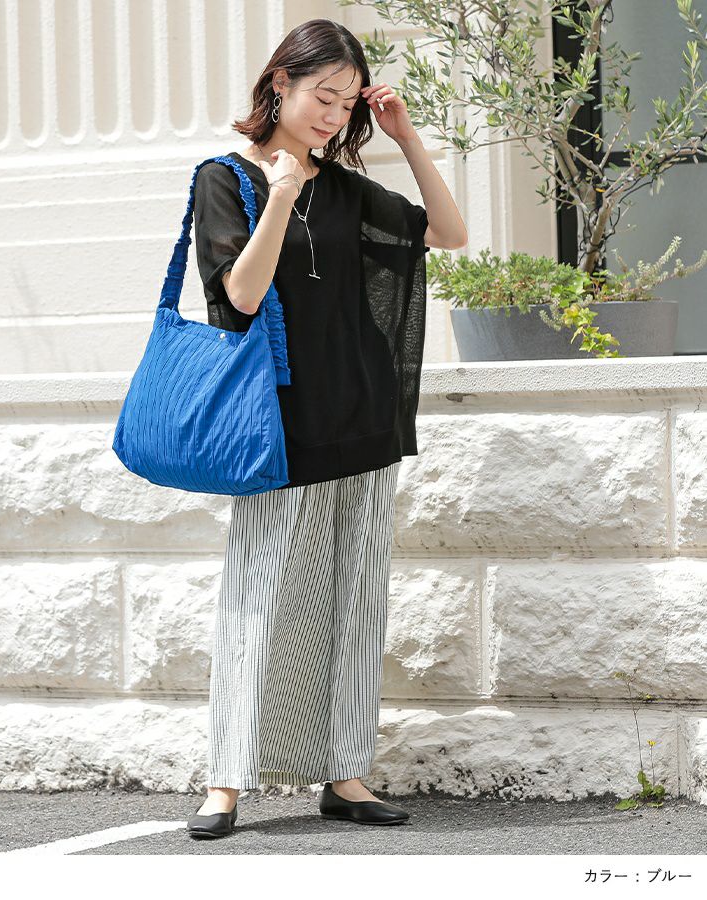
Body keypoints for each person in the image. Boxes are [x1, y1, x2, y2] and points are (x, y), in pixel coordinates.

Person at [186, 18, 468, 839]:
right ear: (281, 83)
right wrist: (279, 193)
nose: (335, 116)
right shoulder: (226, 179)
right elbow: (240, 295)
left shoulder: (347, 189)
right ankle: (225, 781)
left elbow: (448, 234)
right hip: (278, 425)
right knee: (259, 598)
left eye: (348, 104)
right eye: (323, 96)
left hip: (365, 417)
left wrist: (406, 138)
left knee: (356, 600)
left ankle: (345, 775)